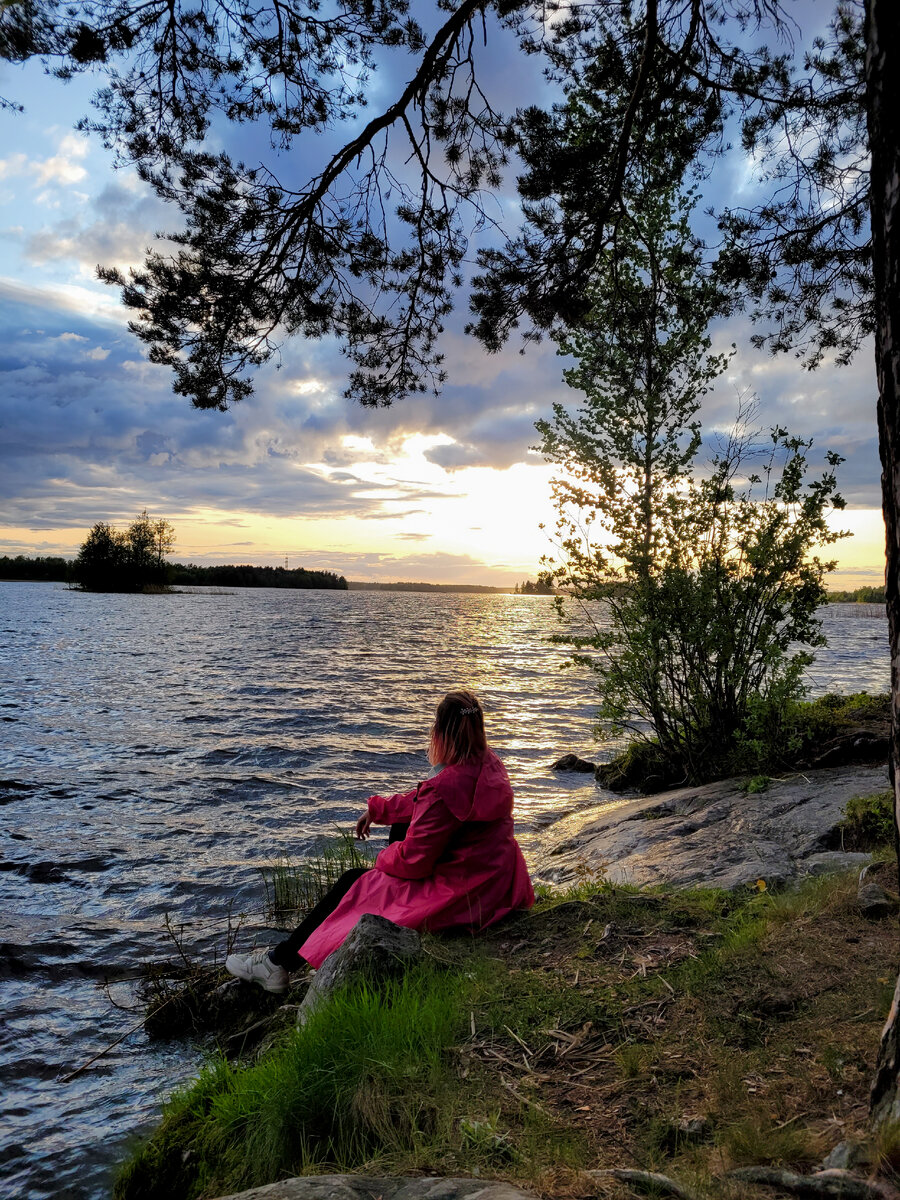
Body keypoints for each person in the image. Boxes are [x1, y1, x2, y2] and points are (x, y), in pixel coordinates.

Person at [225, 689, 535, 992]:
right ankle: (281, 960)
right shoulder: (490, 765)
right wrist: (380, 810)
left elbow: (415, 862)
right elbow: (425, 804)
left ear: (439, 732)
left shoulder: (443, 787)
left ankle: (276, 965)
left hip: (462, 894)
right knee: (399, 830)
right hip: (495, 884)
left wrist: (383, 860)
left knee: (353, 880)